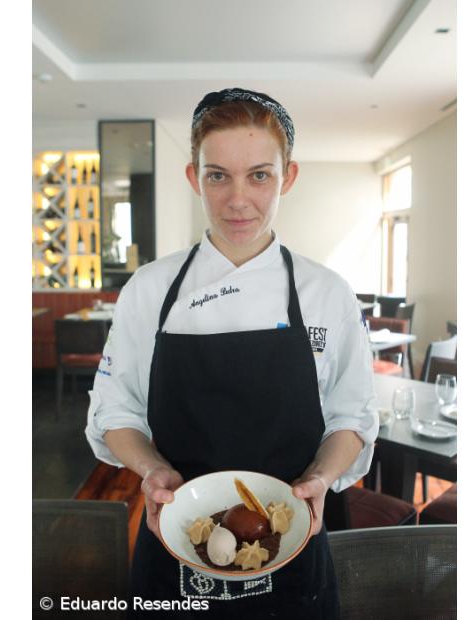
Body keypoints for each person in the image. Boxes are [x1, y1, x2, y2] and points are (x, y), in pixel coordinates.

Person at [84, 87, 378, 618]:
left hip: (296, 542)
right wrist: (152, 470)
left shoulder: (327, 293)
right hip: (172, 538)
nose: (237, 199)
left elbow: (351, 415)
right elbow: (115, 410)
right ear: (195, 177)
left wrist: (319, 478)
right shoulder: (149, 291)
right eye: (217, 175)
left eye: (259, 175)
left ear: (287, 177)